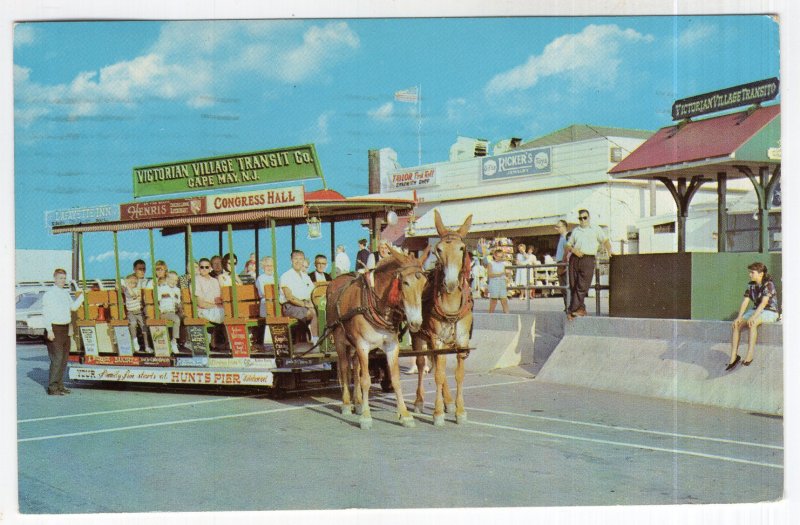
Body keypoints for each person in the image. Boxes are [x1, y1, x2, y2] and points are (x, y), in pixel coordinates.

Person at [726, 262, 780, 370]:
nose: (750, 275)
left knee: (753, 323)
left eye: (752, 272)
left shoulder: (768, 284)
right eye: (749, 272)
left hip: (770, 311)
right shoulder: (751, 285)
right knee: (736, 325)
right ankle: (733, 357)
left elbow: (764, 303)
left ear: (761, 274)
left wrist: (754, 317)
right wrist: (739, 317)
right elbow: (745, 302)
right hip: (756, 309)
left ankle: (749, 355)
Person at [41, 268, 84, 395]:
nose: (62, 281)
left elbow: (72, 308)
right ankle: (52, 388)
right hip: (54, 328)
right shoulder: (49, 294)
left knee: (64, 359)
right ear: (54, 279)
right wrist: (49, 330)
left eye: (64, 278)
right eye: (60, 278)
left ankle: (60, 385)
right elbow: (46, 314)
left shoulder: (65, 293)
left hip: (65, 329)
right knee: (57, 359)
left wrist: (82, 297)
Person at [565, 210, 612, 319]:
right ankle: (580, 309)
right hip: (575, 258)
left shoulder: (596, 229)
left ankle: (572, 310)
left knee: (583, 285)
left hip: (588, 258)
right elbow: (567, 245)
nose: (583, 220)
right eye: (580, 218)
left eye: (585, 217)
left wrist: (609, 250)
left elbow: (605, 241)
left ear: (589, 218)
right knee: (573, 285)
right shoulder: (576, 230)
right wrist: (573, 250)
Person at [279, 250, 317, 339]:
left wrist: (312, 303)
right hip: (290, 306)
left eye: (300, 259)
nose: (298, 261)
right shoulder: (286, 276)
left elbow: (313, 292)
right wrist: (305, 304)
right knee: (313, 313)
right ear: (291, 260)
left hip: (305, 305)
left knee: (323, 312)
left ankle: (322, 339)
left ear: (303, 261)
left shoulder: (305, 276)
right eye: (295, 259)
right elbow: (289, 297)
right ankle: (316, 340)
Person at [194, 257, 227, 352]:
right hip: (203, 310)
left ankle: (227, 343)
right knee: (225, 315)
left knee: (230, 314)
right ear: (199, 268)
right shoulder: (196, 280)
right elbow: (200, 303)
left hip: (215, 308)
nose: (204, 269)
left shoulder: (215, 281)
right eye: (202, 267)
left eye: (206, 267)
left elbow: (219, 299)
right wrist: (215, 305)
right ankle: (225, 343)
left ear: (210, 268)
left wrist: (217, 305)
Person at [122, 273, 152, 353]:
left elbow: (133, 295)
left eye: (134, 283)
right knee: (132, 324)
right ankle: (135, 341)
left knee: (144, 327)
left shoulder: (136, 290)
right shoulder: (125, 290)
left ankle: (147, 346)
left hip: (139, 311)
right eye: (130, 283)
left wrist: (128, 285)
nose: (132, 284)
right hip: (131, 312)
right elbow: (119, 284)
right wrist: (125, 283)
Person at [158, 271, 183, 354]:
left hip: (174, 311)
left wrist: (181, 308)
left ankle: (184, 341)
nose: (174, 282)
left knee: (185, 318)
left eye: (176, 280)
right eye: (171, 279)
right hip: (165, 312)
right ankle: (174, 342)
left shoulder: (177, 290)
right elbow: (157, 301)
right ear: (167, 279)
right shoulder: (162, 288)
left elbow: (178, 302)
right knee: (176, 319)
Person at [487, 247, 509, 314]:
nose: (500, 258)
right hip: (494, 282)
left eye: (501, 256)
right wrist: (500, 274)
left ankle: (507, 316)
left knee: (504, 300)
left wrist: (508, 275)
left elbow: (505, 274)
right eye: (498, 256)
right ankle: (490, 315)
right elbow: (490, 275)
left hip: (502, 282)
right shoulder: (491, 264)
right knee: (494, 301)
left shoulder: (503, 264)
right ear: (494, 256)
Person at [554, 219, 570, 312]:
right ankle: (567, 306)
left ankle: (569, 306)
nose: (557, 229)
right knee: (563, 287)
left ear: (564, 227)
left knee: (565, 285)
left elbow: (567, 252)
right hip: (560, 262)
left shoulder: (566, 238)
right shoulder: (561, 237)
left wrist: (563, 265)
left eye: (558, 227)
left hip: (563, 263)